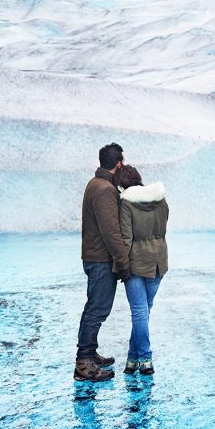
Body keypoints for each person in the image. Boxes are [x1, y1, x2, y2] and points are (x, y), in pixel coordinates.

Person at [76, 143, 131, 382]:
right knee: (97, 309)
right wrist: (123, 262)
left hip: (94, 256)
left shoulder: (95, 183)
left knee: (96, 307)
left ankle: (89, 353)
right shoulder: (105, 189)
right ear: (118, 164)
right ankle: (84, 362)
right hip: (100, 259)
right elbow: (111, 231)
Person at [116, 165, 169, 375]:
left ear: (122, 184)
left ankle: (145, 358)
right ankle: (132, 358)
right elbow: (163, 226)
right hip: (158, 261)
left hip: (136, 263)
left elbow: (126, 238)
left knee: (139, 312)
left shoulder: (126, 203)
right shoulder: (160, 199)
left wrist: (120, 266)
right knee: (144, 312)